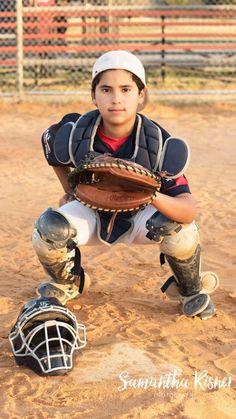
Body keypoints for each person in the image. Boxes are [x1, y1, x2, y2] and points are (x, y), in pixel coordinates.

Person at [32, 50, 219, 320]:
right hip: (93, 215)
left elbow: (188, 209)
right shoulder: (78, 133)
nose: (116, 98)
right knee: (49, 226)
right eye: (106, 89)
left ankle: (190, 289)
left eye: (126, 89)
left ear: (141, 95)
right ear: (93, 95)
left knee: (179, 229)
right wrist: (71, 194)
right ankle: (68, 283)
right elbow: (53, 149)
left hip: (142, 219)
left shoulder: (157, 143)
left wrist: (151, 194)